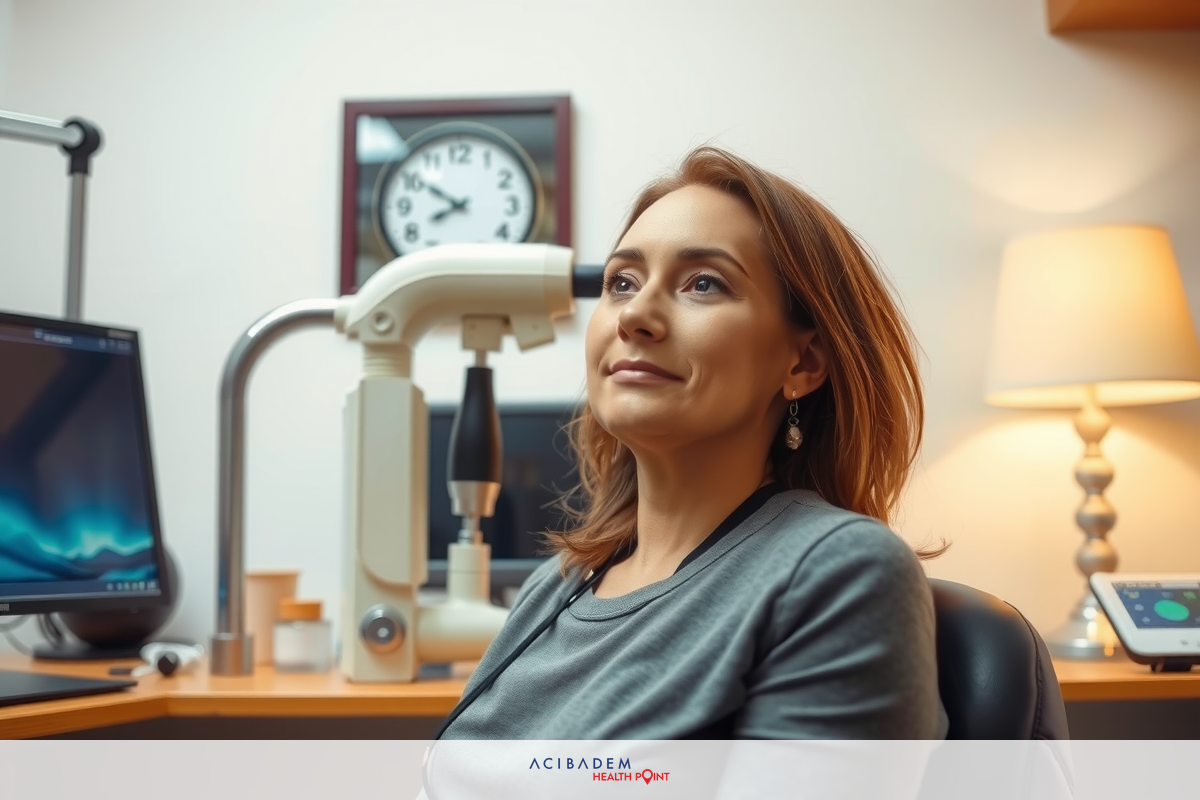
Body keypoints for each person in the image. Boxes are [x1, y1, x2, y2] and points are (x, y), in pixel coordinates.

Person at [436, 145, 949, 740]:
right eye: (621, 283)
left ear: (804, 361)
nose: (635, 316)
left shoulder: (839, 573)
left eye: (703, 284)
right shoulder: (554, 587)